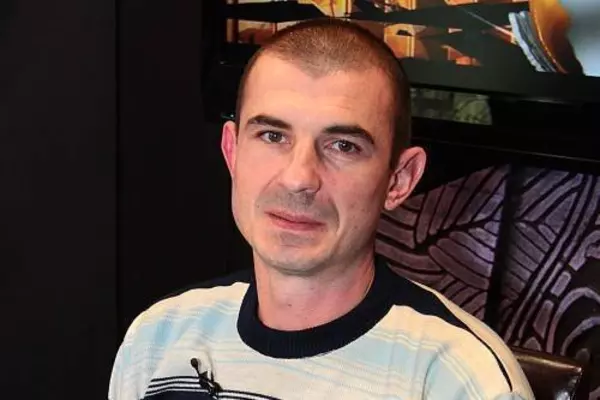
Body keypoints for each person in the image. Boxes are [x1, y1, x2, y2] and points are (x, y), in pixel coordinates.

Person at [109, 18, 534, 400]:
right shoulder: (158, 339)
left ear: (399, 179)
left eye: (343, 146)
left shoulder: (461, 380)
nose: (298, 178)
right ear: (232, 152)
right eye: (273, 136)